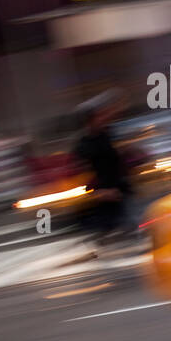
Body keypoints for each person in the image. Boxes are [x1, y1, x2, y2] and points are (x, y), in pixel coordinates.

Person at [74, 89, 133, 242]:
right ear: (90, 121)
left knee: (130, 232)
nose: (105, 118)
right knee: (108, 238)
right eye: (100, 116)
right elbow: (84, 177)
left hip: (122, 193)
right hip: (103, 203)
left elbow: (121, 159)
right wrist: (101, 193)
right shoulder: (83, 146)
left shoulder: (110, 134)